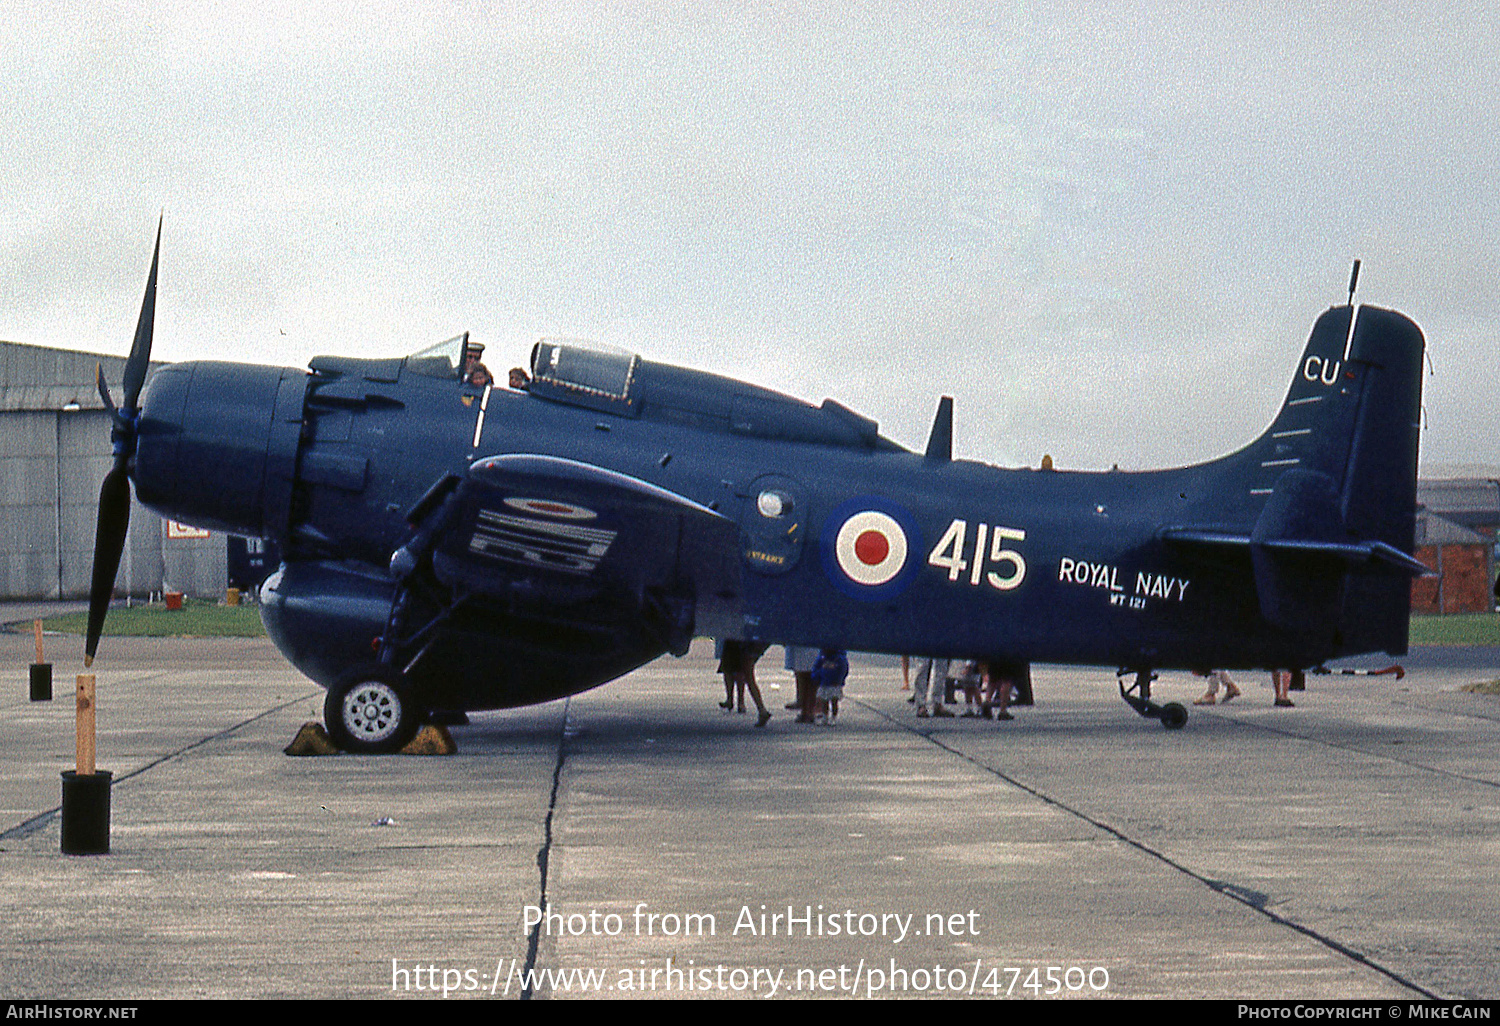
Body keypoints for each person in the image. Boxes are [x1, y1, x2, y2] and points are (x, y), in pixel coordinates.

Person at [811, 648, 848, 725]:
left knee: (834, 701)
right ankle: (825, 717)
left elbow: (843, 669)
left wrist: (840, 679)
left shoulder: (840, 658)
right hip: (824, 683)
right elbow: (815, 668)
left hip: (835, 684)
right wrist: (818, 675)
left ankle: (833, 717)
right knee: (824, 702)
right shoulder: (822, 657)